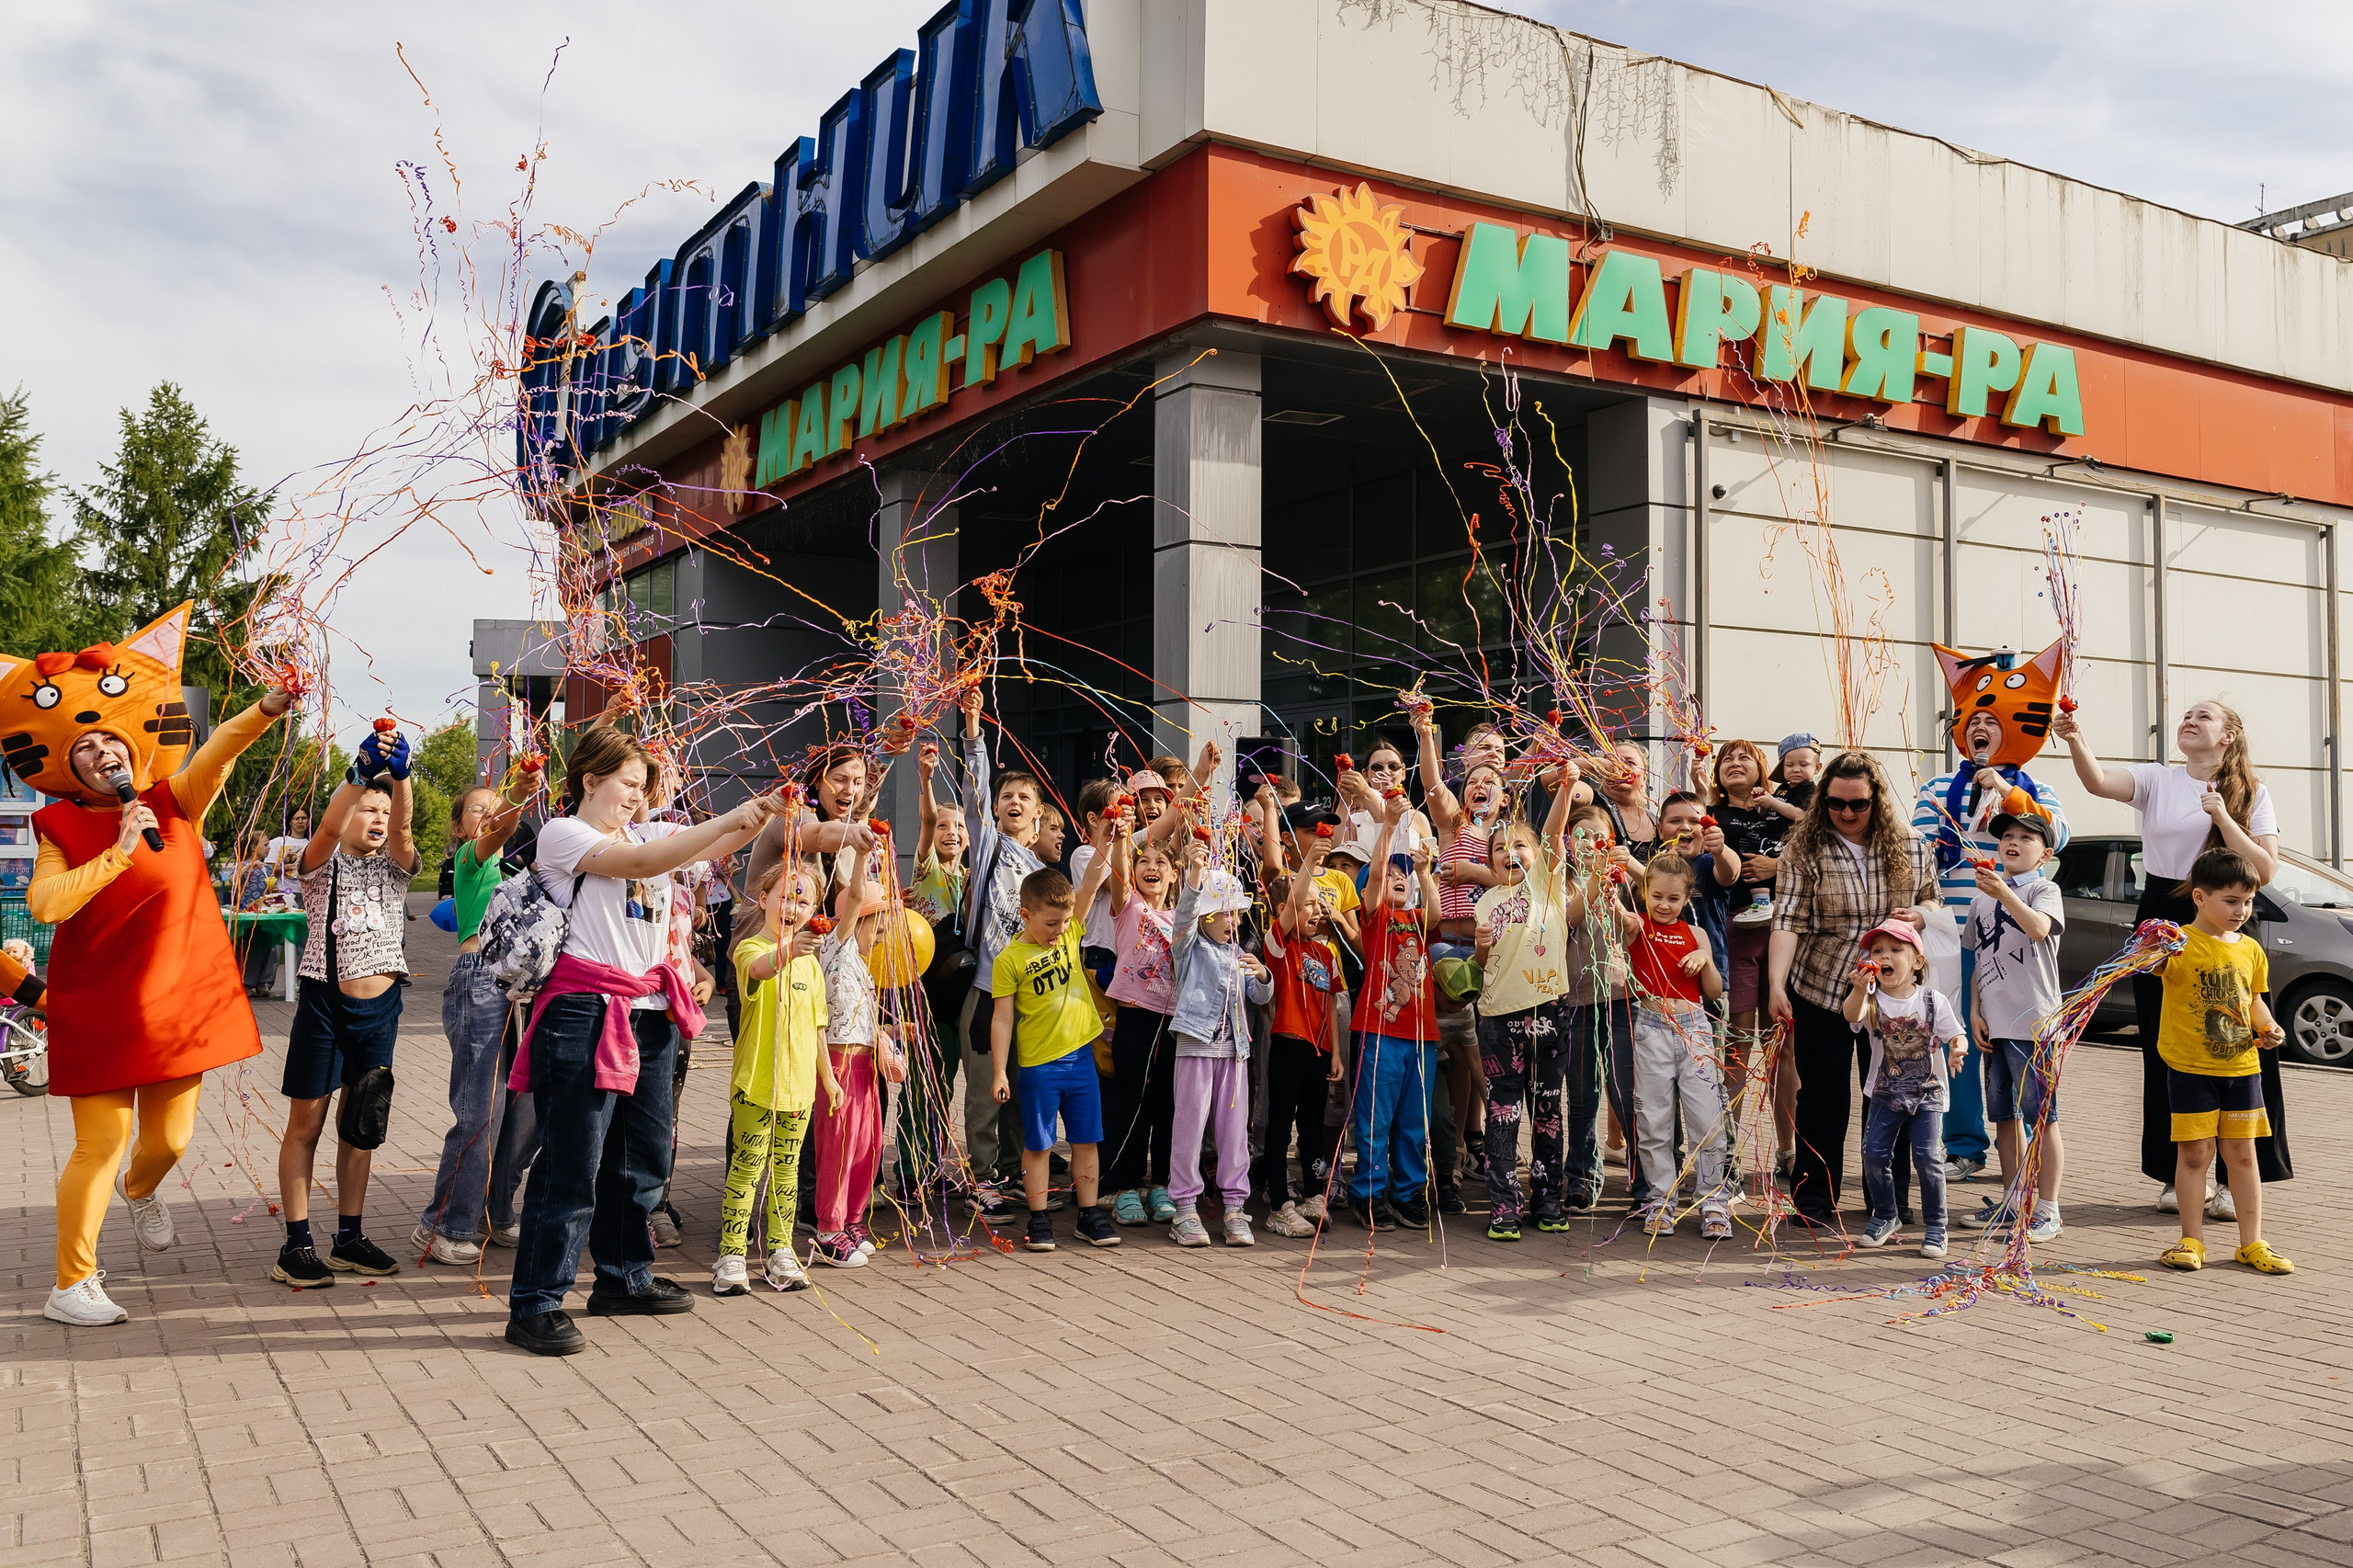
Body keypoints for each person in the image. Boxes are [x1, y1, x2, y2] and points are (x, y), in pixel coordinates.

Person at [16, 607, 295, 1327]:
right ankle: (70, 1284)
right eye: (86, 748)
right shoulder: (59, 825)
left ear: (131, 746)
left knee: (169, 1141)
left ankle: (142, 1191)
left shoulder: (175, 802)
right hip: (98, 1005)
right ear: (66, 764)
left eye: (110, 740)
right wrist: (113, 853)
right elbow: (46, 904)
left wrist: (263, 708)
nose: (102, 753)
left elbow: (218, 752)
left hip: (177, 1002)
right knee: (98, 1144)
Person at [504, 726, 785, 1357]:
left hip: (651, 1012)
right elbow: (644, 865)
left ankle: (623, 1276)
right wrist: (734, 817)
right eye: (627, 784)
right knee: (573, 1163)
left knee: (644, 1157)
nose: (636, 797)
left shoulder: (652, 833)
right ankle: (536, 1304)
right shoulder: (563, 835)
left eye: (643, 787)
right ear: (589, 781)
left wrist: (762, 813)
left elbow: (716, 839)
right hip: (583, 1012)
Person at [2052, 699, 2288, 1217]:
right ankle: (2178, 1174)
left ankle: (2235, 1178)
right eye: (2186, 714)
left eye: (2203, 716)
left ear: (2228, 736)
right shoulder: (2158, 779)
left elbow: (2264, 870)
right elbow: (2097, 782)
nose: (2189, 720)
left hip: (2224, 916)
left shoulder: (2253, 793)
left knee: (2239, 1040)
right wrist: (2074, 738)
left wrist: (2224, 817)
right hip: (2162, 918)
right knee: (2165, 1046)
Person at [1908, 661, 2071, 1185]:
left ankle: (2030, 1179)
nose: (1981, 728)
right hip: (1949, 935)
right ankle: (1963, 1146)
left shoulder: (2036, 791)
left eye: (1993, 722)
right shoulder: (1937, 785)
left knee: (2012, 1055)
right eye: (1973, 720)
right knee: (1954, 1040)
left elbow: (2057, 836)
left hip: (2010, 941)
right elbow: (1916, 853)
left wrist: (2005, 791)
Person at [271, 727, 421, 1288]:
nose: (378, 819)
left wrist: (399, 778)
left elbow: (405, 830)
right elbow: (330, 826)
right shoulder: (320, 864)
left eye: (383, 811)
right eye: (368, 810)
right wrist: (356, 776)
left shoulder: (398, 867)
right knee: (306, 1123)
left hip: (381, 1010)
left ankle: (349, 1238)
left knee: (362, 1125)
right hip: (325, 1005)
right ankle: (296, 1242)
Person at [1767, 751, 1938, 1226]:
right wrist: (1776, 985)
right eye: (1835, 804)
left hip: (1893, 991)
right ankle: (1814, 1203)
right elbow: (1787, 921)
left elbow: (1931, 898)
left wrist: (1922, 915)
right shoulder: (1804, 849)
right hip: (1822, 986)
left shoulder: (1912, 845)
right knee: (1822, 1097)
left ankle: (1889, 1202)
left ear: (1876, 801)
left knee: (1891, 1095)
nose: (1846, 814)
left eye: (1858, 805)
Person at [413, 760, 535, 1265]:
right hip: (481, 981)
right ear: (462, 827)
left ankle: (496, 1209)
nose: (487, 815)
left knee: (528, 1108)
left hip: (525, 987)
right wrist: (518, 793)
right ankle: (443, 1224)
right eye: (476, 811)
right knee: (480, 1109)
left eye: (495, 807)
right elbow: (500, 827)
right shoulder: (472, 859)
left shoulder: (527, 869)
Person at [2152, 849, 2292, 1276]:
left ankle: (2251, 1243)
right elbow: (2142, 965)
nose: (2241, 910)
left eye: (2247, 902)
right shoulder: (2177, 944)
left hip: (2242, 1069)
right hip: (2190, 1067)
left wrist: (2270, 1028)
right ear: (2199, 897)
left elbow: (2254, 1000)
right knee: (2195, 1155)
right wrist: (2153, 946)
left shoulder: (2251, 948)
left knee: (2243, 1156)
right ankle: (2190, 1238)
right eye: (2231, 901)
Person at [987, 853, 1121, 1253]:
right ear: (1026, 915)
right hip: (1038, 1067)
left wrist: (1107, 839)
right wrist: (999, 1072)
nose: (1060, 930)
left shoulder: (1070, 931)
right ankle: (1040, 1217)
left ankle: (1088, 1214)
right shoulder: (1009, 959)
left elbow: (1093, 880)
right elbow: (1002, 1020)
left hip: (1081, 1059)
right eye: (1050, 924)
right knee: (1039, 1145)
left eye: (1065, 922)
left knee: (1086, 1141)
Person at [1470, 769, 1574, 1240]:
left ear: (1538, 858)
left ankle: (1549, 1198)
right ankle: (1503, 1205)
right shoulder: (1487, 901)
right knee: (1504, 1112)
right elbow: (1482, 962)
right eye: (1499, 849)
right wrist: (1480, 947)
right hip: (1498, 1018)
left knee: (1549, 1108)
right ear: (1490, 863)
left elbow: (1552, 831)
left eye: (1520, 847)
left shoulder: (1548, 887)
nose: (1510, 854)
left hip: (1549, 1011)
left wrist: (1567, 789)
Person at [713, 859, 825, 1296]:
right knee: (746, 1171)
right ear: (763, 899)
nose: (793, 905)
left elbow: (818, 1027)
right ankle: (732, 1254)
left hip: (799, 1090)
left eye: (804, 899)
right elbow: (760, 970)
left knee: (787, 1172)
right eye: (785, 895)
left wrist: (828, 1081)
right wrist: (787, 950)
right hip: (757, 1085)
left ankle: (780, 1252)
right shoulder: (751, 948)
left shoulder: (812, 965)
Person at [957, 687, 1045, 1207]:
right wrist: (972, 732)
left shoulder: (1042, 874)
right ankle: (981, 1178)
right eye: (1006, 796)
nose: (1013, 803)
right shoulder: (990, 845)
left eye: (1024, 798)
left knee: (1020, 1093)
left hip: (1029, 1000)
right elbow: (973, 793)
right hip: (987, 993)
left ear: (1038, 815)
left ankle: (1014, 1173)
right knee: (985, 1091)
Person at [1164, 842, 1274, 1247]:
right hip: (1196, 1048)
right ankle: (1186, 1209)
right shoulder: (1189, 949)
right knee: (1189, 1129)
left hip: (1235, 1055)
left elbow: (1259, 998)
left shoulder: (1240, 953)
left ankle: (1234, 1207)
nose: (1234, 920)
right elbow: (1182, 918)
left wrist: (1262, 976)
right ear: (1206, 916)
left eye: (1238, 913)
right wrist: (1194, 872)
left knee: (1233, 1133)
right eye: (1225, 912)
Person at [1965, 812, 2068, 1243]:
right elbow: (1978, 959)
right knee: (2004, 1117)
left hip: (2036, 1024)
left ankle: (2048, 1208)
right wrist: (1974, 1010)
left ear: (2044, 853)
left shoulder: (2045, 889)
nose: (2013, 842)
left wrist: (2004, 892)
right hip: (1997, 1023)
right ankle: (2013, 1198)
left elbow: (2039, 927)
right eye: (2007, 836)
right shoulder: (1981, 898)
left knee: (2042, 1117)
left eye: (2025, 838)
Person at [810, 839, 906, 1266]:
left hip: (866, 1065)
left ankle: (852, 1218)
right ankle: (829, 1228)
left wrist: (889, 1030)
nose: (883, 934)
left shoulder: (865, 966)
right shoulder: (837, 946)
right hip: (837, 1063)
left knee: (869, 1147)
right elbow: (851, 899)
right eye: (878, 925)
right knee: (840, 1147)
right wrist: (864, 856)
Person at [1348, 790, 1442, 1230]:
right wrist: (1386, 826)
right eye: (1390, 875)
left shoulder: (1417, 920)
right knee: (1375, 1116)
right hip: (1381, 1033)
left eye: (1402, 876)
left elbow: (1436, 911)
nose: (1397, 878)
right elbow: (1371, 887)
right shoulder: (1377, 918)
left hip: (1421, 1038)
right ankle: (1367, 1192)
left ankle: (1408, 1193)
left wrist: (1424, 873)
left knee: (1413, 1121)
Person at [1844, 920, 1966, 1257]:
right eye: (1877, 951)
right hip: (1885, 1093)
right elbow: (1850, 1017)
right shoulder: (1871, 999)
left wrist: (1957, 1047)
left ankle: (1936, 1227)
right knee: (1874, 1155)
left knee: (1927, 1158)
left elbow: (1956, 1032)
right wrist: (1857, 989)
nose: (1884, 956)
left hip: (1928, 1093)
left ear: (1917, 962)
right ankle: (1885, 1215)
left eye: (1896, 950)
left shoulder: (1932, 999)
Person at [1627, 851, 1733, 1239]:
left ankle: (1713, 1202)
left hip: (1694, 1028)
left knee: (1707, 1121)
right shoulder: (1636, 924)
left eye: (1673, 898)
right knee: (1654, 1122)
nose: (1664, 905)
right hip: (1651, 1029)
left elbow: (1715, 991)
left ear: (1687, 898)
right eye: (1657, 896)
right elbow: (1610, 912)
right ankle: (1661, 1199)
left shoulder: (1697, 933)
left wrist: (1704, 958)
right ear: (1645, 893)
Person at [1710, 739, 1798, 1172]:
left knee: (1783, 1048)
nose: (1735, 763)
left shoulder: (1784, 810)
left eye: (1745, 756)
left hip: (1784, 933)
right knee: (1738, 1045)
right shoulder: (1713, 817)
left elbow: (1821, 850)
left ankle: (1789, 1150)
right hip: (1736, 932)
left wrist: (1776, 868)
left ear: (1765, 771)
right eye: (1727, 758)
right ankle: (1728, 1150)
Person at [1559, 804, 1644, 1213]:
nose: (1591, 843)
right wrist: (1594, 878)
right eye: (1581, 836)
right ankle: (1580, 1177)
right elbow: (1568, 919)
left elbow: (1650, 916)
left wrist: (1631, 877)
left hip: (1621, 1000)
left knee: (1626, 1094)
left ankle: (1643, 1179)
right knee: (1581, 1095)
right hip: (1576, 1003)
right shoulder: (1562, 879)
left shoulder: (1626, 879)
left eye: (1599, 835)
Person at [901, 740, 972, 1200]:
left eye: (959, 825)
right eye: (944, 825)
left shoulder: (974, 877)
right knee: (921, 1083)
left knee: (944, 1085)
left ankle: (931, 1166)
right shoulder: (926, 869)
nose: (950, 831)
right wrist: (926, 779)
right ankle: (909, 1172)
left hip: (961, 991)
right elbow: (926, 819)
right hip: (925, 988)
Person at [1257, 863, 1344, 1236]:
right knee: (1279, 1128)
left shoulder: (1324, 953)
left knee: (1312, 1128)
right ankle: (1279, 1205)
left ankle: (1313, 1195)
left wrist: (1336, 1053)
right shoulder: (1277, 945)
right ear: (1284, 911)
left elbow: (1331, 1005)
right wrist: (1309, 863)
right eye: (1308, 904)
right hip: (1288, 1046)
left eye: (1319, 904)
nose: (1316, 910)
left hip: (1320, 1051)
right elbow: (1292, 907)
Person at [1103, 812, 1181, 1225]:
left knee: (1166, 1104)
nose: (1152, 869)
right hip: (1134, 1019)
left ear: (1173, 874)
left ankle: (1163, 1185)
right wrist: (1119, 839)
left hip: (1172, 1024)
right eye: (1144, 862)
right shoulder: (1128, 906)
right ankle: (1125, 1187)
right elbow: (1116, 874)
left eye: (1161, 864)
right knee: (1131, 1102)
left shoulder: (1182, 916)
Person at [1771, 734, 1821, 813]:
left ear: (1817, 768)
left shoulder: (1809, 790)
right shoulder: (1782, 787)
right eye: (1789, 765)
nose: (1796, 770)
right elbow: (1768, 813)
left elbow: (1799, 814)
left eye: (1803, 764)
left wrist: (1772, 803)